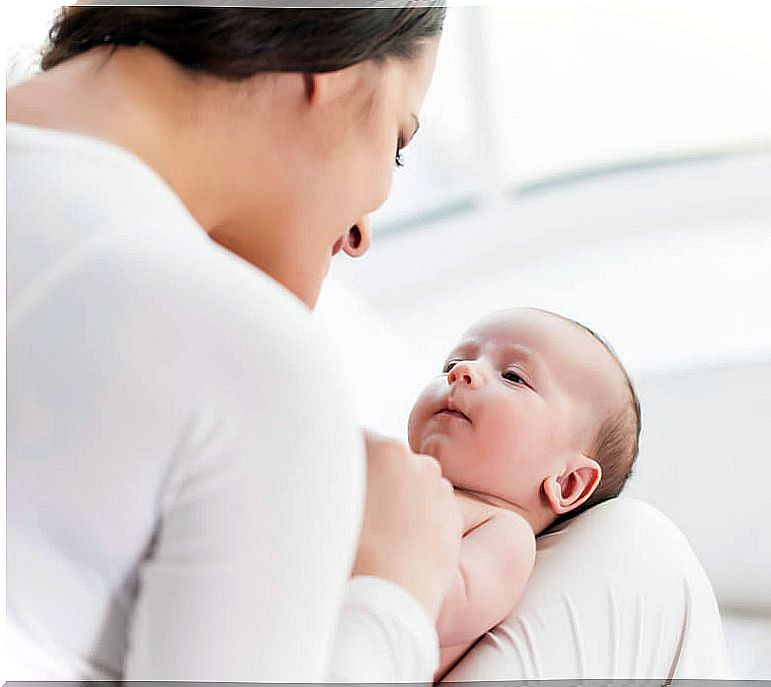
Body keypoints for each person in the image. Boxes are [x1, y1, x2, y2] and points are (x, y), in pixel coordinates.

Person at [6, 5, 462, 682]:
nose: (363, 231)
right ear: (330, 69)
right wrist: (390, 598)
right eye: (397, 140)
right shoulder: (250, 360)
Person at [405, 308, 641, 680]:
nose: (461, 372)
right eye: (454, 361)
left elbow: (434, 609)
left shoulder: (502, 534)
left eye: (513, 376)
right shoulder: (403, 476)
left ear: (567, 482)